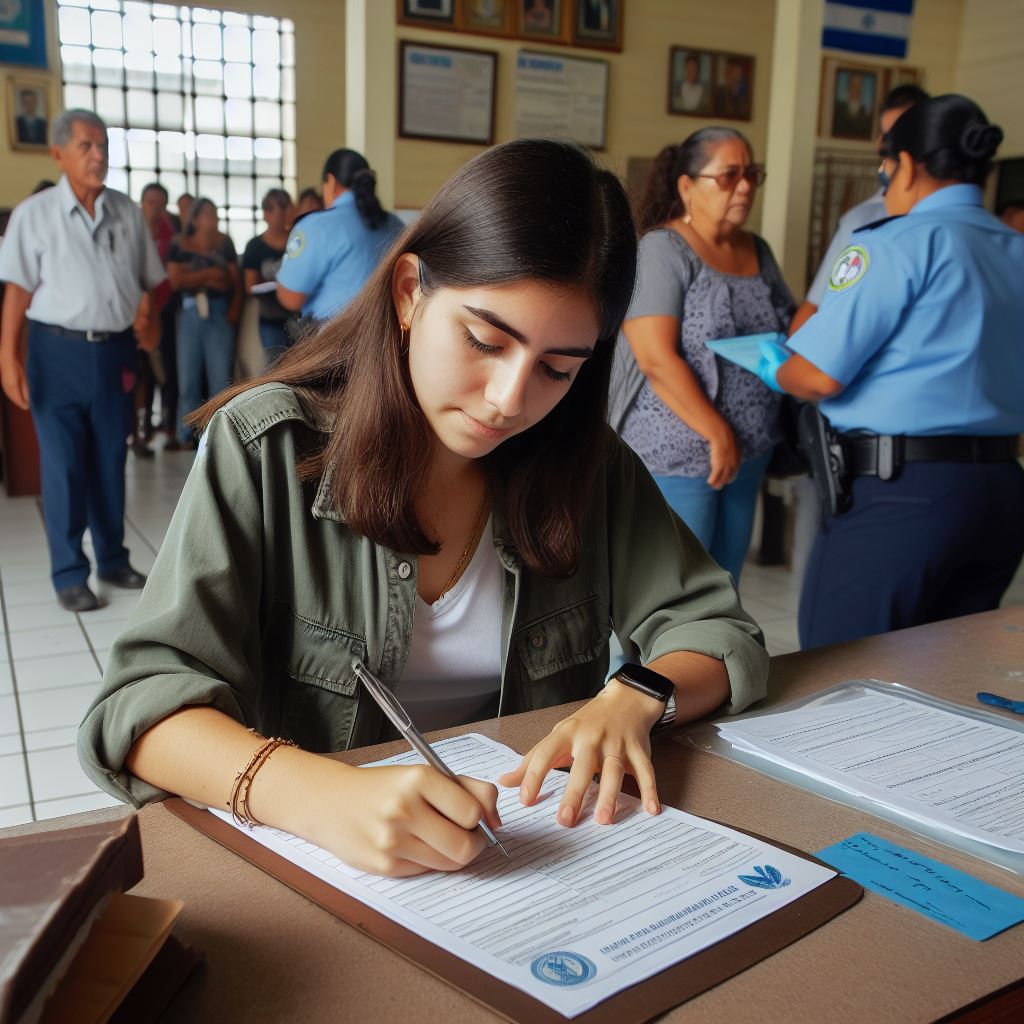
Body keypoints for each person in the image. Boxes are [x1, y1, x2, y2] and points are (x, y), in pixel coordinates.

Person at [78, 138, 769, 879]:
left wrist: (638, 693)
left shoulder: (583, 464)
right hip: (324, 875)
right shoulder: (268, 449)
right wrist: (321, 797)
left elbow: (717, 628)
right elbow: (140, 709)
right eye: (483, 340)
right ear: (410, 292)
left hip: (532, 865)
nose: (510, 399)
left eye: (557, 369)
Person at [755, 95, 1024, 649]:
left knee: (841, 668)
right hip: (1000, 489)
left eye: (885, 168)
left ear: (906, 165)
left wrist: (774, 366)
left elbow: (819, 376)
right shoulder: (1014, 249)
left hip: (903, 494)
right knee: (950, 673)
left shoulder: (895, 243)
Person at [609, 128, 792, 583]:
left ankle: (713, 658)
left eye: (752, 174)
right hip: (679, 453)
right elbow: (654, 356)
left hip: (750, 451)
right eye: (729, 175)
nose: (745, 186)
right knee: (672, 590)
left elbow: (788, 327)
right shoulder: (663, 250)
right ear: (687, 186)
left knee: (724, 584)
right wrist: (716, 433)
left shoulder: (758, 249)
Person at [0, 109, 164, 611]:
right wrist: (8, 356)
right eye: (87, 147)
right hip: (56, 352)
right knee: (65, 464)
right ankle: (70, 571)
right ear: (58, 154)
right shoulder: (35, 215)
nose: (99, 156)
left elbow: (151, 284)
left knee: (110, 459)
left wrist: (150, 321)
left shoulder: (126, 212)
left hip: (115, 353)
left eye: (104, 146)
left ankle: (113, 558)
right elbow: (18, 292)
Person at [791, 84, 929, 334]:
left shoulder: (949, 229)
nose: (890, 150)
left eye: (903, 136)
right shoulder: (862, 222)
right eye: (886, 137)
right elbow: (819, 305)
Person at [276, 149, 404, 328]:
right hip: (386, 333)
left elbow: (291, 298)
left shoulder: (315, 226)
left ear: (331, 181)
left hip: (335, 339)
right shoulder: (395, 224)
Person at [166, 197, 241, 449]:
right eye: (206, 214)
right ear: (196, 219)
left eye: (214, 213)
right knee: (188, 375)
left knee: (220, 376)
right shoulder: (180, 244)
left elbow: (230, 281)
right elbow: (176, 281)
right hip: (189, 312)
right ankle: (186, 433)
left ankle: (220, 433)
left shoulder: (224, 242)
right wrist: (210, 275)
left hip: (219, 312)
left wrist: (233, 309)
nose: (211, 219)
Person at [132, 182, 176, 458]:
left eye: (160, 202)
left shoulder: (170, 233)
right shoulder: (130, 229)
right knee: (138, 377)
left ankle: (160, 427)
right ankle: (138, 433)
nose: (154, 207)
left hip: (164, 311)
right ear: (142, 202)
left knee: (164, 373)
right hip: (136, 315)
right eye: (150, 201)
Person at [242, 188, 295, 368]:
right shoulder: (255, 246)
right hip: (271, 318)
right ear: (265, 214)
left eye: (285, 206)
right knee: (275, 369)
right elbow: (250, 285)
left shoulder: (298, 240)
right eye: (275, 208)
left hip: (300, 318)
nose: (283, 212)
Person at [832, 71, 874, 139]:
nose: (856, 89)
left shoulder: (866, 113)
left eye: (858, 86)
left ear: (861, 89)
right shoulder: (839, 108)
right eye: (853, 86)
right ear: (849, 87)